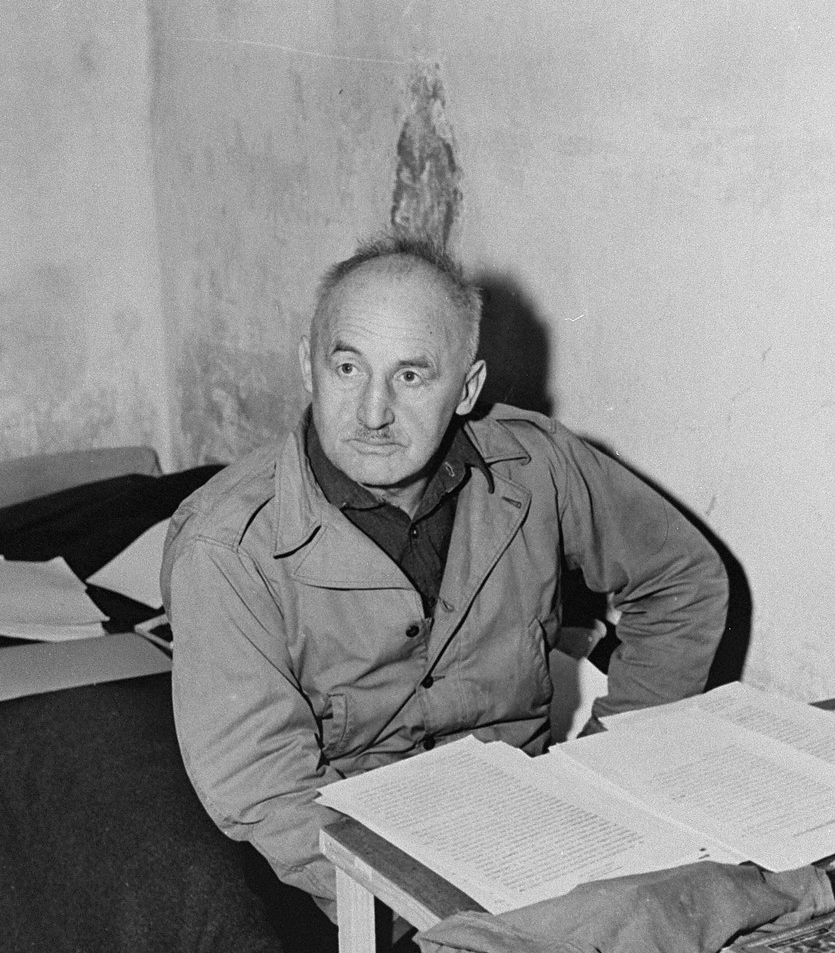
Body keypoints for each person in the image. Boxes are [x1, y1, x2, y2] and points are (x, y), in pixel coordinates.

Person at [161, 234, 729, 917]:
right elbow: (266, 791)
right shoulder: (225, 545)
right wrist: (448, 906)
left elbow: (682, 581)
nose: (373, 413)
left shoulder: (539, 464)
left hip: (535, 825)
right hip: (345, 862)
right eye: (347, 367)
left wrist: (610, 775)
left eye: (410, 376)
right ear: (308, 368)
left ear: (466, 389)